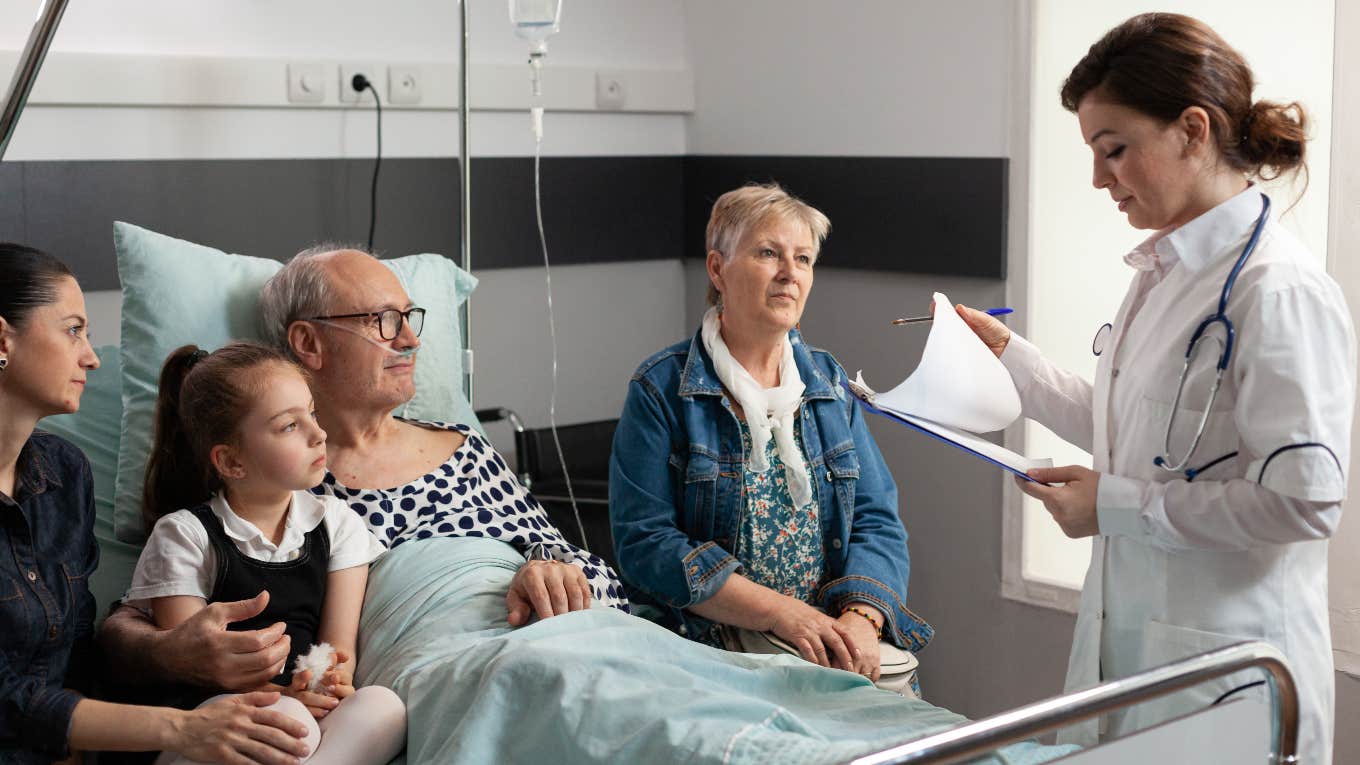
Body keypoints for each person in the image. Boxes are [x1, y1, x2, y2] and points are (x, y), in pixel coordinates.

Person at [956, 14, 1354, 761]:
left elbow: (1306, 501)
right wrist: (1013, 358)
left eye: (1115, 150)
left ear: (1193, 129)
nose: (1099, 177)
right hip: (1148, 663)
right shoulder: (1168, 273)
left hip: (1230, 674)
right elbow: (1140, 438)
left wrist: (1113, 504)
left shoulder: (1277, 290)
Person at [99, 245, 627, 706]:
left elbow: (599, 582)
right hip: (446, 673)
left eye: (409, 317)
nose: (410, 341)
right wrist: (171, 653)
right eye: (382, 320)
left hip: (555, 639)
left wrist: (553, 571)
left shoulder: (464, 447)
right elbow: (132, 624)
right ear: (308, 344)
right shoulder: (274, 480)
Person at [609, 184, 932, 685]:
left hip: (829, 643)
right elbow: (646, 544)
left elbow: (877, 519)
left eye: (803, 259)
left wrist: (862, 619)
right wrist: (781, 614)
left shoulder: (827, 384)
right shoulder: (660, 389)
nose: (790, 273)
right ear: (718, 269)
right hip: (707, 650)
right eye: (768, 253)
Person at [0, 244, 312, 764]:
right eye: (73, 329)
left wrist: (174, 657)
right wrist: (181, 728)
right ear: (1, 339)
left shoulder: (64, 475)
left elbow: (82, 649)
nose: (92, 357)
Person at [129, 341, 406, 765]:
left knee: (383, 707)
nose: (320, 433)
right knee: (284, 715)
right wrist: (285, 698)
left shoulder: (338, 523)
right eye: (289, 426)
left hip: (302, 720)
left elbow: (336, 651)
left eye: (311, 413)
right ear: (231, 461)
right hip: (208, 726)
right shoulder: (184, 536)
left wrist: (326, 684)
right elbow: (192, 668)